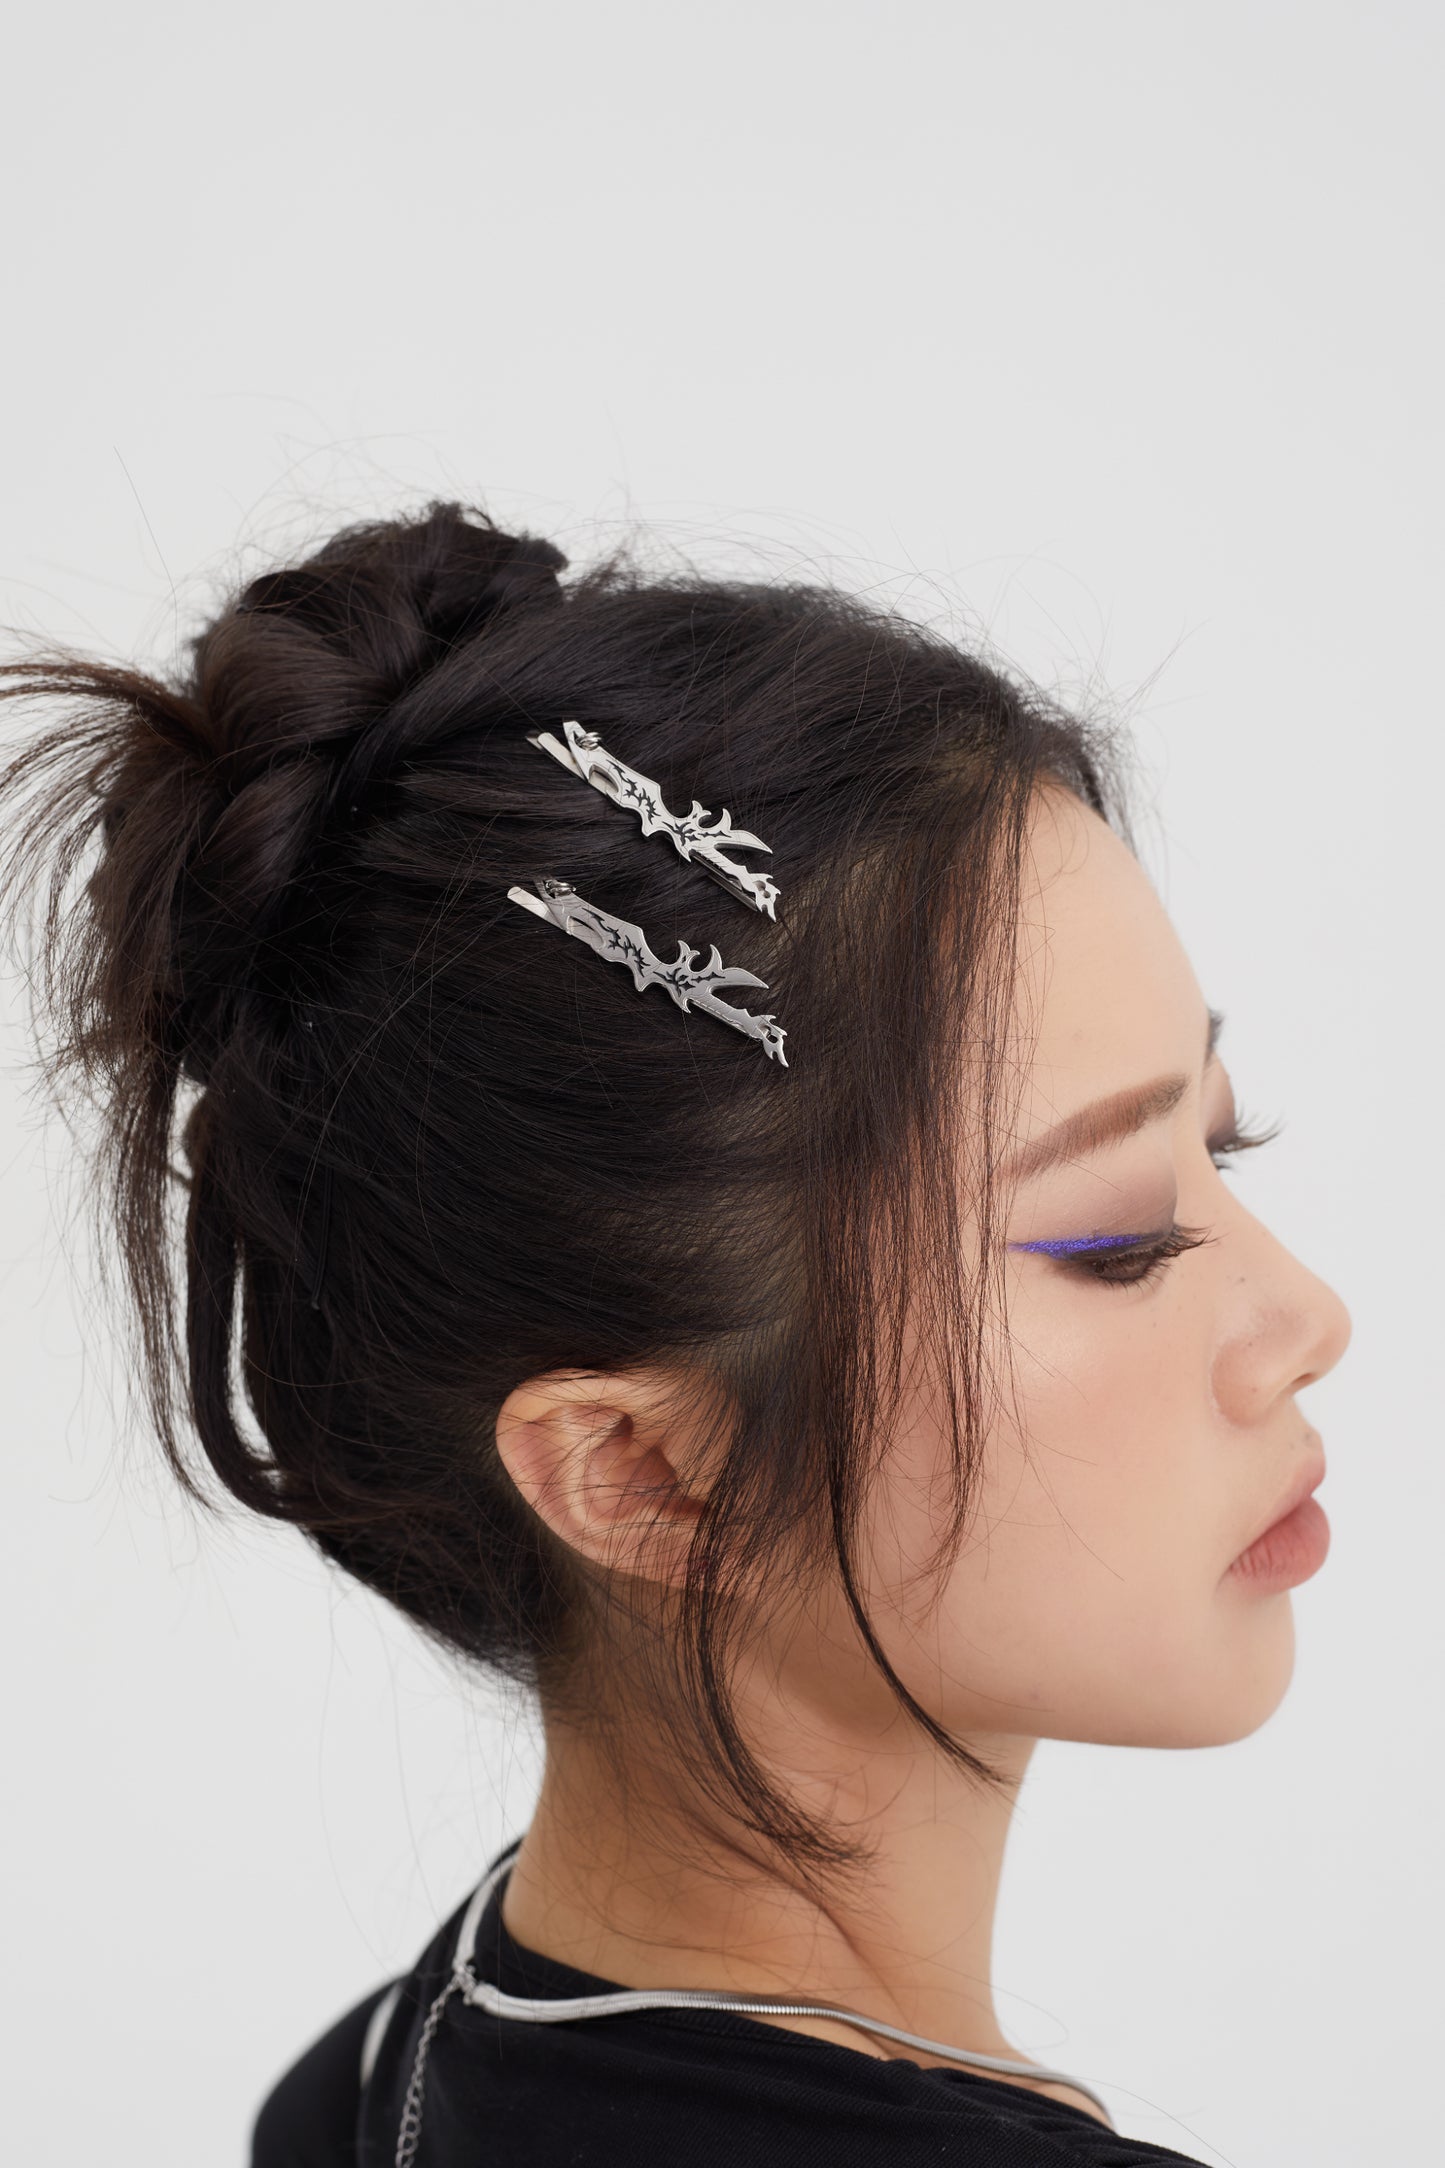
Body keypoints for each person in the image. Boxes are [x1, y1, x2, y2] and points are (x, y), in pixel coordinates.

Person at [0, 500, 1351, 2166]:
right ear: (637, 1469)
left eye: (1219, 1144)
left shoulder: (370, 2087)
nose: (1305, 1321)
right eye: (1116, 1241)